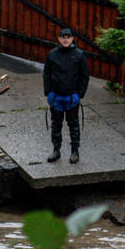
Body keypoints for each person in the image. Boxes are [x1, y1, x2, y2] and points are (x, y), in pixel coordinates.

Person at [44, 27, 90, 164]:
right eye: (63, 37)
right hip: (56, 98)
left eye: (68, 37)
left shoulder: (79, 55)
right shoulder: (52, 54)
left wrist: (80, 95)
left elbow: (84, 76)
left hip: (71, 98)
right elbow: (46, 73)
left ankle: (75, 151)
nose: (65, 39)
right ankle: (56, 150)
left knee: (74, 125)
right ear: (59, 39)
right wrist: (48, 93)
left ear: (72, 39)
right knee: (56, 125)